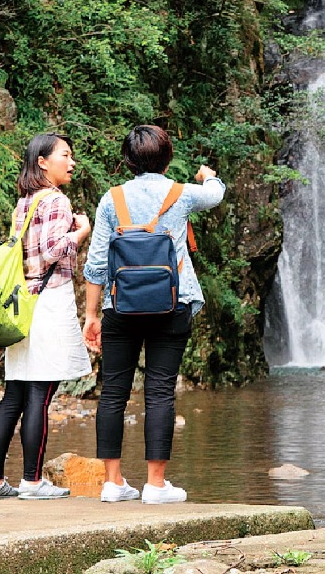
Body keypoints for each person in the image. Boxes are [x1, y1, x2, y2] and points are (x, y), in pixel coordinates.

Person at [82, 124, 225, 504]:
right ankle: (156, 486)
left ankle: (112, 483)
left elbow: (96, 264)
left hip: (120, 305)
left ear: (127, 160)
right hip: (171, 302)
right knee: (160, 391)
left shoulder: (112, 199)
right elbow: (216, 194)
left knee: (112, 392)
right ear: (167, 158)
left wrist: (91, 314)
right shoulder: (181, 194)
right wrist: (209, 175)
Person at [0, 132, 93, 500]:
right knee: (40, 396)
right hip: (47, 302)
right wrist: (82, 232)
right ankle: (31, 482)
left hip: (22, 304)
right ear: (42, 162)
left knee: (14, 394)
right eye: (66, 156)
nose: (72, 163)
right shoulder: (56, 200)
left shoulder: (24, 202)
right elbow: (50, 252)